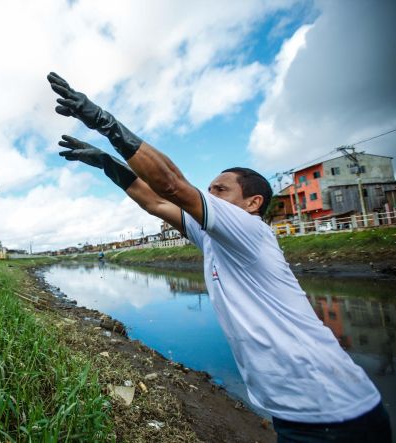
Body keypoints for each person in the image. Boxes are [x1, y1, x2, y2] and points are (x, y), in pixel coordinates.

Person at [47, 72, 391, 442]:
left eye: (219, 190)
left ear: (252, 203)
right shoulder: (212, 236)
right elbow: (157, 200)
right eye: (208, 189)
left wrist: (104, 123)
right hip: (301, 415)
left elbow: (172, 186)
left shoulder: (249, 229)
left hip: (336, 416)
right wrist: (104, 163)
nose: (208, 195)